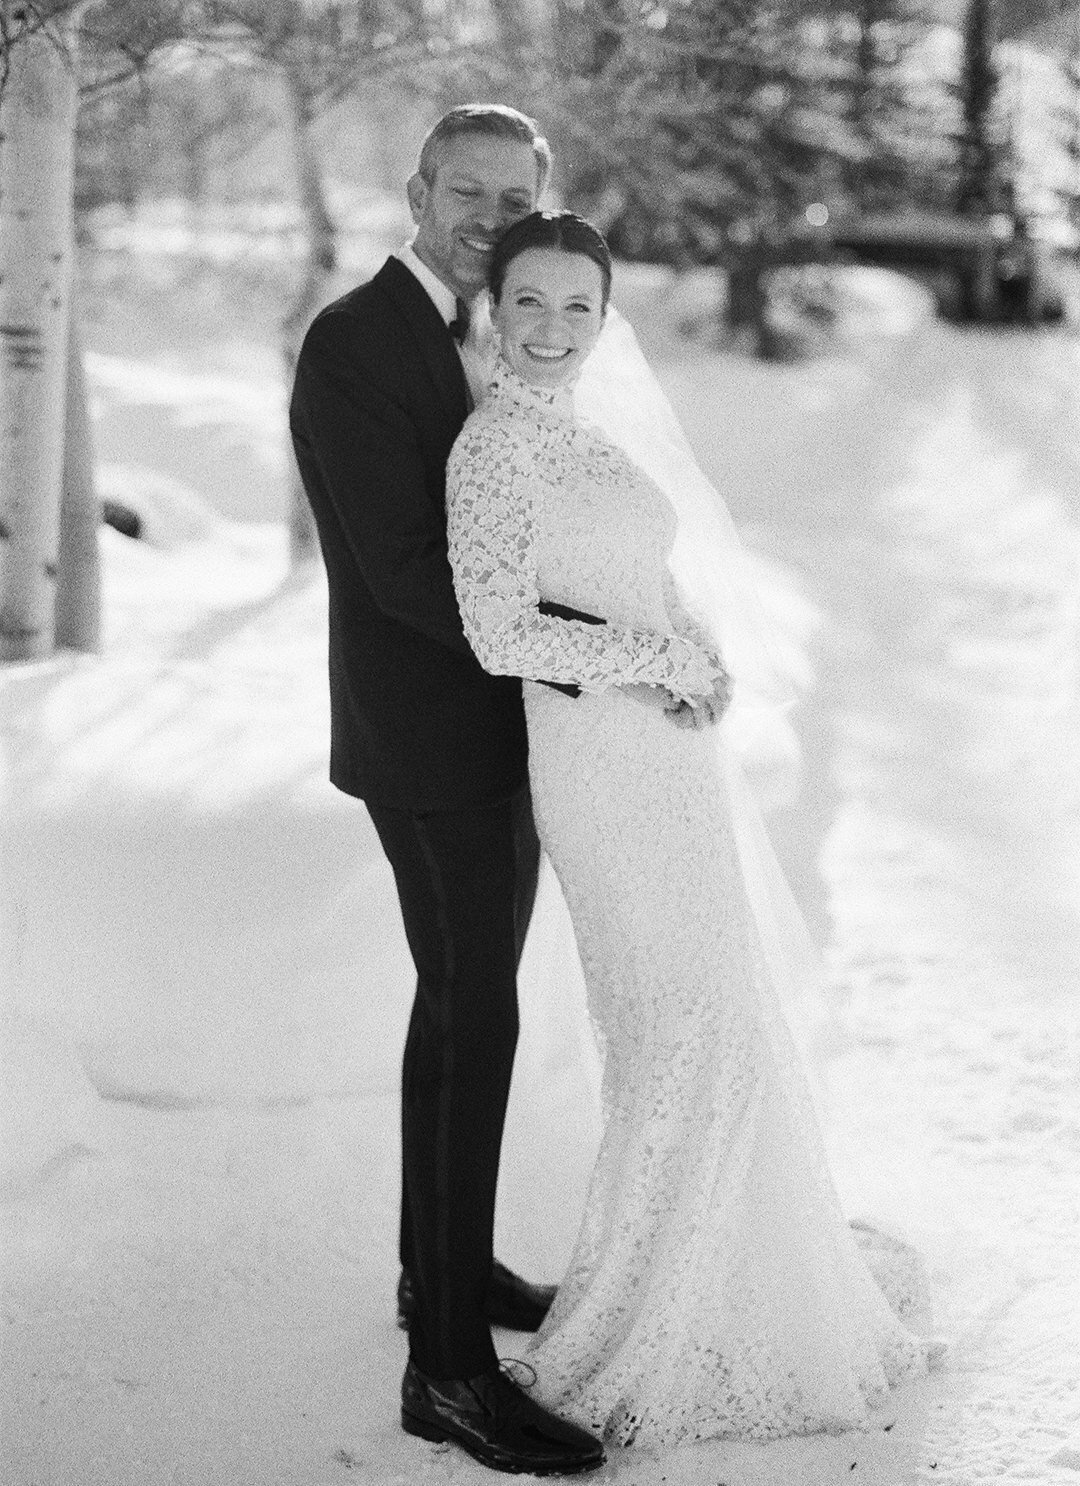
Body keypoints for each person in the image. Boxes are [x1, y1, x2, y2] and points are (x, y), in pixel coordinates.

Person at [446, 210, 933, 1458]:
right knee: (678, 1026)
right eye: (532, 303)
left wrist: (691, 649)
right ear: (494, 309)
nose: (554, 330)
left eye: (578, 308)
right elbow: (501, 633)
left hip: (666, 759)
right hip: (601, 773)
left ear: (605, 320)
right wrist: (649, 654)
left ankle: (744, 1291)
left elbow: (631, 575)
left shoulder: (589, 436)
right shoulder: (494, 448)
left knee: (719, 1015)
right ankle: (654, 1312)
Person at [289, 111, 605, 1477]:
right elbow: (404, 572)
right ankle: (452, 1380)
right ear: (415, 191)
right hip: (428, 740)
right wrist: (589, 641)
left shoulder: (483, 327)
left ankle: (445, 1271)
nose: (488, 211)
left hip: (494, 730)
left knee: (460, 1004)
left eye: (512, 192)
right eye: (463, 189)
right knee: (478, 1014)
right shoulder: (358, 342)